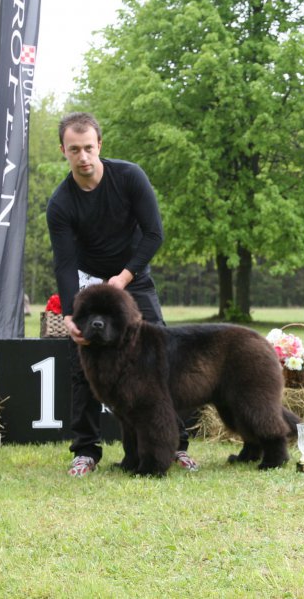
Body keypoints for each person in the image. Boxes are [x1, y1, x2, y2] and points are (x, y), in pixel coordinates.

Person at [46, 112, 198, 477]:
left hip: (133, 277)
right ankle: (86, 450)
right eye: (74, 150)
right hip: (88, 281)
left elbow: (153, 234)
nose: (82, 157)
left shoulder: (129, 176)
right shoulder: (60, 204)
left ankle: (176, 445)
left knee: (162, 357)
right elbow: (65, 264)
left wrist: (124, 276)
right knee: (81, 363)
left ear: (100, 145)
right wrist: (69, 315)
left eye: (88, 148)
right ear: (63, 151)